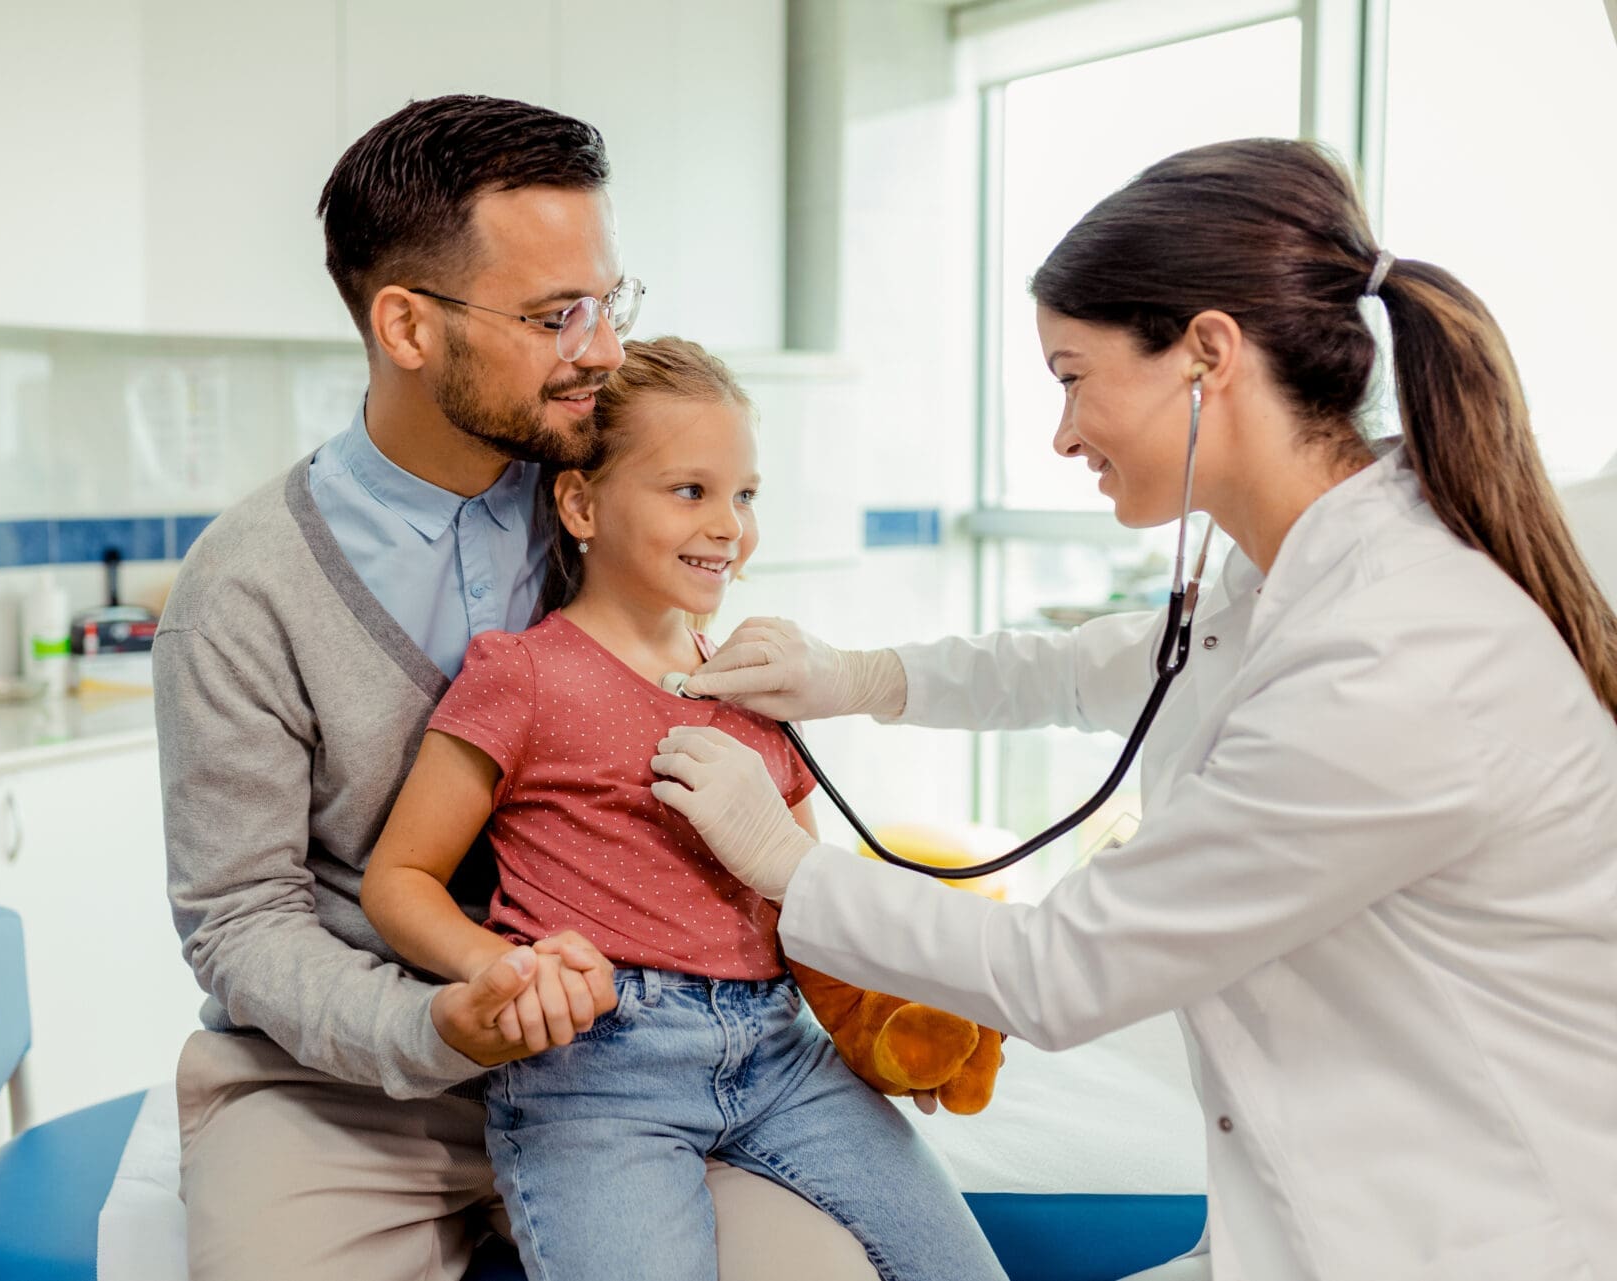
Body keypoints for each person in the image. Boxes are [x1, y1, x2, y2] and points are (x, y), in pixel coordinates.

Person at [647, 138, 1617, 1281]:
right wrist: (855, 676)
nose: (1062, 433)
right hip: (1321, 1226)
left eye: (1070, 375)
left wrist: (784, 862)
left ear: (1208, 352)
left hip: (1474, 1243)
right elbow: (1078, 670)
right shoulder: (1304, 567)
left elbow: (1063, 971)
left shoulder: (1397, 656)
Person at [155, 96, 879, 1280]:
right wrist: (439, 1020)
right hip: (348, 1082)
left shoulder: (600, 501)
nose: (599, 348)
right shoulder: (243, 592)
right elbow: (242, 922)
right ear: (405, 325)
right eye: (555, 317)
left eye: (608, 303)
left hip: (636, 1064)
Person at [359, 337, 1003, 1281]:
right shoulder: (523, 675)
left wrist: (887, 1002)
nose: (730, 528)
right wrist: (501, 969)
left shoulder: (755, 682)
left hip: (782, 1055)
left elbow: (806, 893)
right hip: (599, 1074)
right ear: (580, 503)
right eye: (690, 491)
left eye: (744, 495)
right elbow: (399, 877)